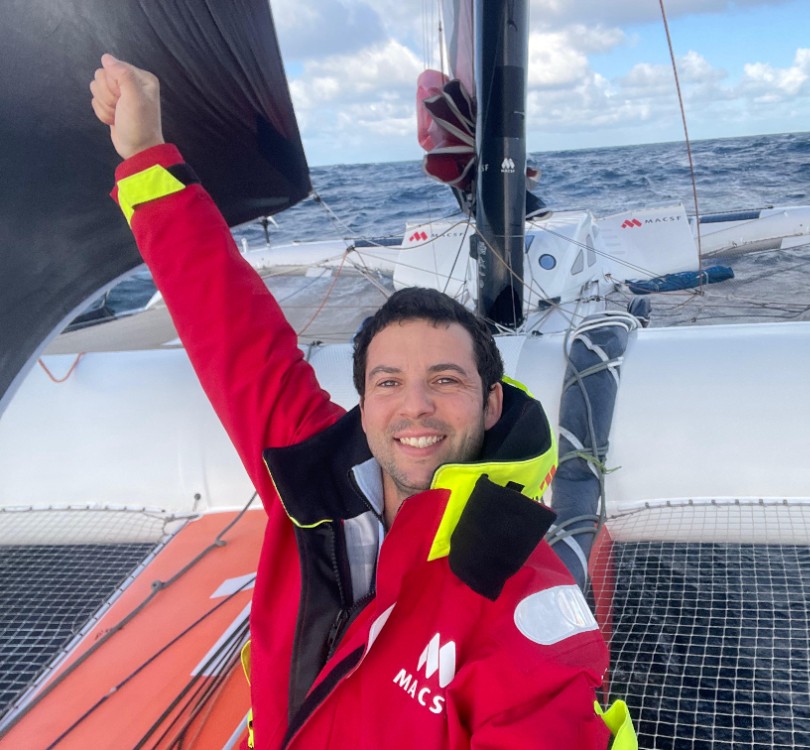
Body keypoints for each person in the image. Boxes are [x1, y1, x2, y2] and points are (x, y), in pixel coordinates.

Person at [90, 55, 635, 749]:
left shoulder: (520, 587)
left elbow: (547, 713)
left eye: (446, 380)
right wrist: (143, 154)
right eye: (388, 382)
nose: (415, 409)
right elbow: (227, 325)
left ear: (492, 403)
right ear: (364, 403)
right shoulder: (311, 468)